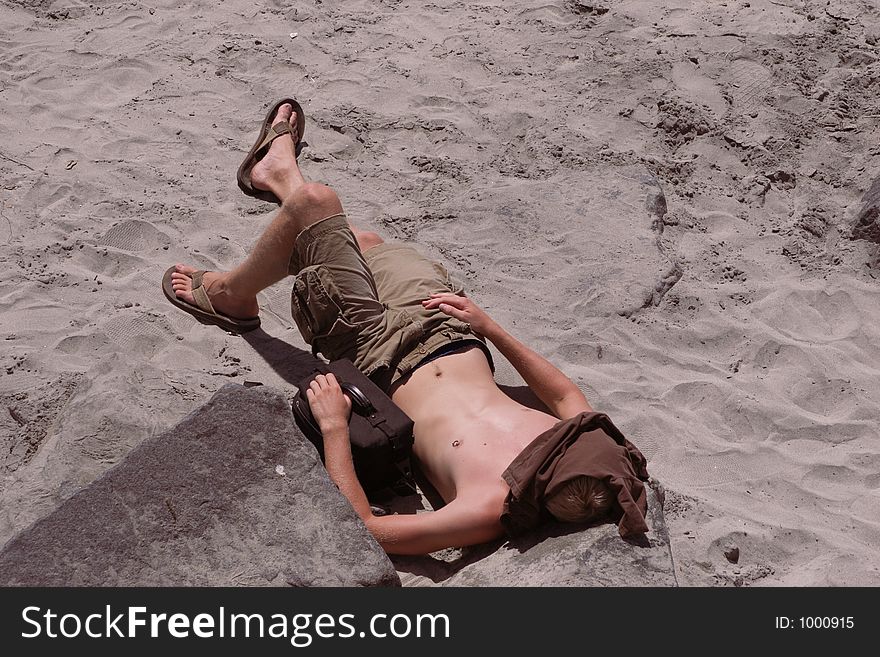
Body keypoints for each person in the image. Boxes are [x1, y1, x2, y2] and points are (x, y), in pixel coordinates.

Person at [163, 99, 651, 556]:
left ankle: (231, 292)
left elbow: (369, 529)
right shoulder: (588, 445)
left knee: (315, 203)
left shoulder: (486, 508)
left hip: (375, 352)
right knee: (363, 241)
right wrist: (489, 325)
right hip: (446, 325)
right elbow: (566, 397)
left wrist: (335, 426)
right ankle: (276, 176)